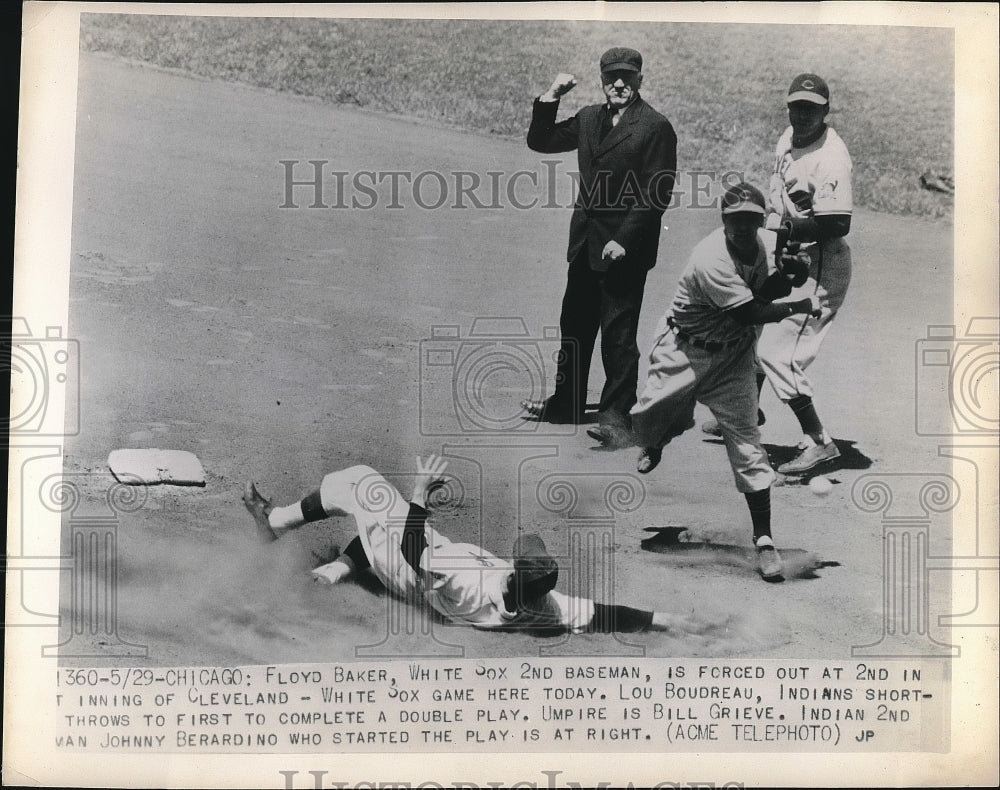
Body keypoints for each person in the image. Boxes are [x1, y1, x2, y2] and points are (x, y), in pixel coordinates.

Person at [242, 455, 720, 635]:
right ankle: (336, 571)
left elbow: (413, 551)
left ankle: (275, 523)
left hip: (410, 568)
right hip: (424, 575)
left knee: (361, 482)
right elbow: (603, 614)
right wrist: (666, 620)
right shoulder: (544, 608)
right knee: (381, 527)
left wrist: (420, 493)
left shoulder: (468, 580)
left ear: (514, 573)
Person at [629, 183, 824, 580]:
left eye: (751, 218)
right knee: (649, 419)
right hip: (684, 350)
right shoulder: (710, 257)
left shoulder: (766, 244)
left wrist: (792, 274)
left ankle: (764, 540)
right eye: (736, 219)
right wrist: (799, 303)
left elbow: (765, 291)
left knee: (748, 445)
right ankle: (658, 437)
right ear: (723, 220)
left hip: (733, 356)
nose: (743, 226)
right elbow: (749, 313)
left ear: (761, 220)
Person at [519, 47, 677, 448]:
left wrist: (624, 240)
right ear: (602, 79)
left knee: (618, 336)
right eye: (611, 77)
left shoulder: (655, 127)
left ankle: (616, 417)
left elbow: (656, 193)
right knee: (574, 324)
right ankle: (566, 404)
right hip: (586, 242)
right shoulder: (590, 117)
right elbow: (541, 140)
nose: (619, 84)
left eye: (627, 77)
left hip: (625, 247)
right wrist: (551, 96)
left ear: (640, 79)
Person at [702, 74, 853, 475]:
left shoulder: (830, 158)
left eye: (811, 108)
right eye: (797, 106)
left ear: (826, 110)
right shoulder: (788, 139)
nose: (802, 115)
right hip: (791, 256)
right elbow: (778, 198)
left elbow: (837, 223)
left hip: (820, 268)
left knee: (777, 353)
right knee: (752, 325)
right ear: (788, 107)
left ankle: (819, 442)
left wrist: (782, 229)